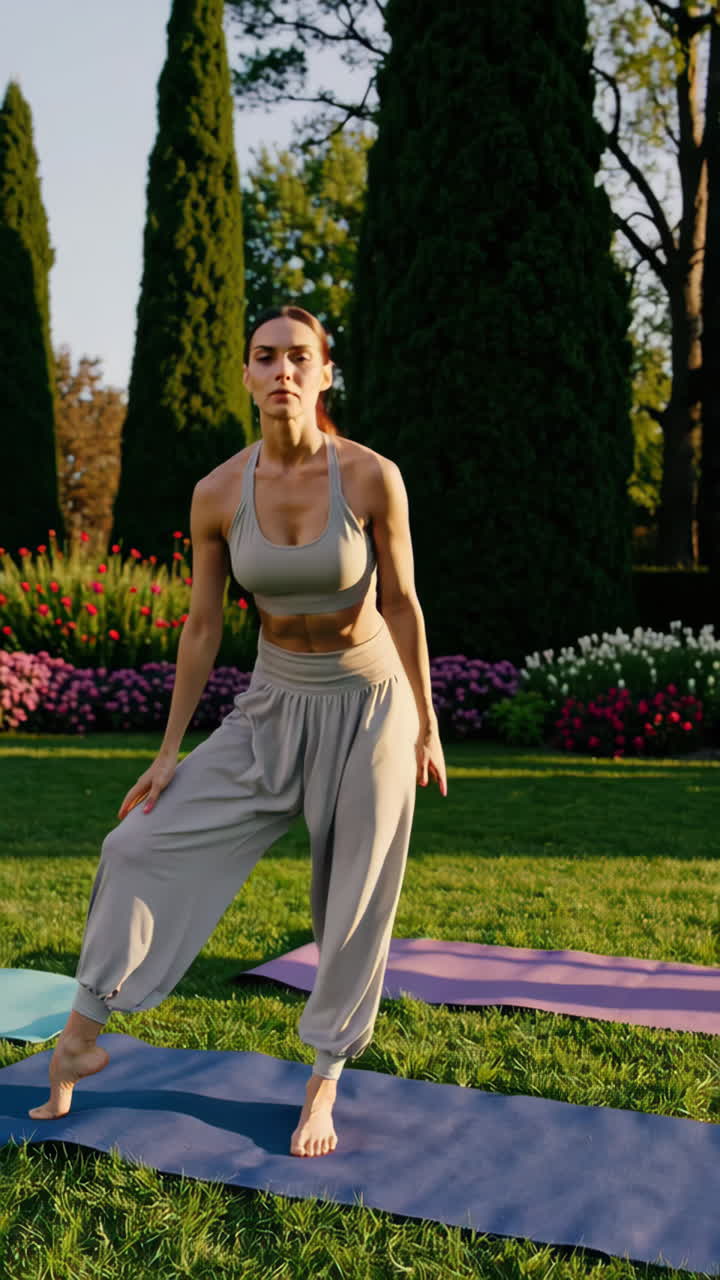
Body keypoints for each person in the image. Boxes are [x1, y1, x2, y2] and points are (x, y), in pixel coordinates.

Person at [28, 304, 447, 1158]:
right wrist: (167, 751)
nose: (284, 370)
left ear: (326, 374)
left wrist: (427, 724)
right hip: (270, 702)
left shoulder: (370, 477)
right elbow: (202, 626)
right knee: (135, 845)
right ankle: (81, 1034)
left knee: (355, 894)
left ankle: (325, 1077)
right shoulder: (218, 492)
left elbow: (402, 603)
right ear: (248, 375)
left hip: (371, 700)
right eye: (267, 357)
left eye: (301, 357)